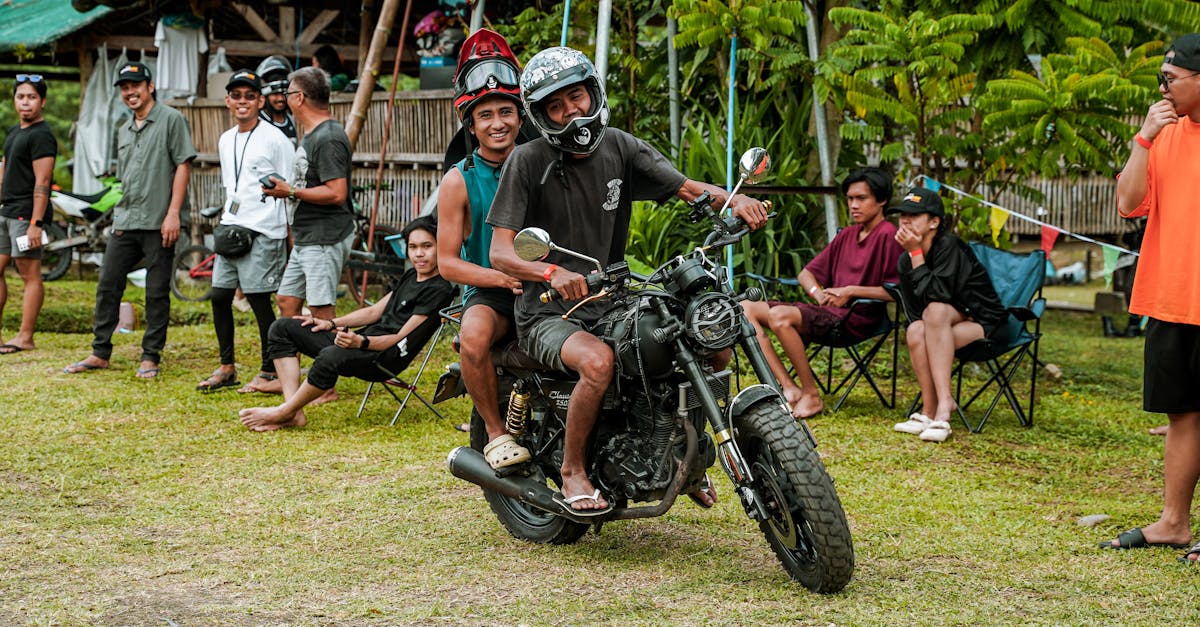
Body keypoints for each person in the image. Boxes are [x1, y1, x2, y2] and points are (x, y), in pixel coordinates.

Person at [487, 47, 768, 514]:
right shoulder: (527, 160)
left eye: (575, 96)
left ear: (592, 91)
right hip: (549, 312)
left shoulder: (618, 145)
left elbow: (685, 188)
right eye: (555, 106)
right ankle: (573, 471)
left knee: (705, 339)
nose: (570, 111)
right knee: (597, 363)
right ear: (541, 116)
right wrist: (552, 271)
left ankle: (686, 458)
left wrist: (731, 202)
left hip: (613, 298)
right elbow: (500, 250)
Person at [1104, 33, 1200, 561]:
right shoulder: (1163, 134)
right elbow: (1128, 203)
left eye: (1170, 79)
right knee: (1182, 413)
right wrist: (1143, 138)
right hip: (1172, 297)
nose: (1161, 89)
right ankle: (1174, 523)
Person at [238, 216, 454, 431]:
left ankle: (283, 412)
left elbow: (399, 338)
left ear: (440, 246)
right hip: (362, 343)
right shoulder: (410, 276)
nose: (419, 254)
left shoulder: (439, 289)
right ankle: (293, 412)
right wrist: (330, 324)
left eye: (427, 246)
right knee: (283, 328)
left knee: (331, 355)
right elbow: (373, 311)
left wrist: (361, 342)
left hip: (385, 357)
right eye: (413, 247)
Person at [64, 62, 196, 378]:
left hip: (160, 221)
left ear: (149, 86)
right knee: (108, 283)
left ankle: (150, 356)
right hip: (127, 219)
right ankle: (100, 352)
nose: (129, 92)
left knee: (155, 290)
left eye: (135, 85)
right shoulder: (123, 129)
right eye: (124, 87)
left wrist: (173, 214)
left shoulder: (171, 119)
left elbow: (183, 166)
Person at [436, 29, 530, 466]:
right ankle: (495, 434)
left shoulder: (546, 164)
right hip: (492, 290)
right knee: (472, 338)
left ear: (520, 115)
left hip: (551, 283)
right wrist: (499, 277)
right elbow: (447, 263)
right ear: (471, 124)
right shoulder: (458, 179)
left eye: (506, 111)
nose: (498, 123)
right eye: (486, 114)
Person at [741, 167, 903, 418]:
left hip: (857, 318)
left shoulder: (888, 235)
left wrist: (850, 291)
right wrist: (817, 293)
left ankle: (812, 395)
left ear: (881, 200)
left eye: (862, 198)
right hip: (827, 311)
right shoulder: (848, 234)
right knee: (745, 309)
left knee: (780, 316)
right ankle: (788, 388)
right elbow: (805, 274)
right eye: (850, 199)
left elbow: (897, 291)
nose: (854, 205)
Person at [195, 70, 296, 393]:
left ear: (260, 101)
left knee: (257, 299)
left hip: (266, 230)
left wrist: (288, 234)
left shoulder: (276, 138)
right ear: (227, 101)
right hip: (232, 226)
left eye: (249, 96)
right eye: (236, 96)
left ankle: (270, 369)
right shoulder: (226, 139)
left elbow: (289, 184)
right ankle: (227, 366)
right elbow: (232, 187)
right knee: (220, 296)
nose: (242, 102)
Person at [890, 187, 1005, 443]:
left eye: (914, 215)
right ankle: (928, 411)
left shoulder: (949, 246)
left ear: (934, 222)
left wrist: (917, 255)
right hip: (941, 325)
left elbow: (938, 295)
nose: (905, 220)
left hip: (983, 322)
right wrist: (914, 256)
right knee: (915, 329)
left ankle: (945, 406)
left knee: (936, 309)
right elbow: (915, 313)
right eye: (902, 215)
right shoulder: (904, 261)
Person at [261, 66, 355, 323]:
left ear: (299, 97)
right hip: (307, 236)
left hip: (324, 237)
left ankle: (330, 363)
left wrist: (289, 191)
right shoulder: (314, 135)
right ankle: (294, 361)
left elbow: (337, 192)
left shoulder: (328, 138)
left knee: (321, 311)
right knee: (287, 301)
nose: (285, 98)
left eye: (288, 92)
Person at [0, 74, 56, 354]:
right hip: (6, 212)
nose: (25, 102)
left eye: (31, 97)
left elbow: (43, 183)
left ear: (42, 102)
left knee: (29, 275)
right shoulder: (14, 133)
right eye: (21, 96)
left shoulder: (42, 135)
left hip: (25, 215)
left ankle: (25, 336)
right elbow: (5, 170)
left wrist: (36, 223)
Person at [255, 55, 298, 145]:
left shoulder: (291, 120)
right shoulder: (257, 123)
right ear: (265, 95)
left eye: (283, 93)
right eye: (275, 94)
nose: (281, 98)